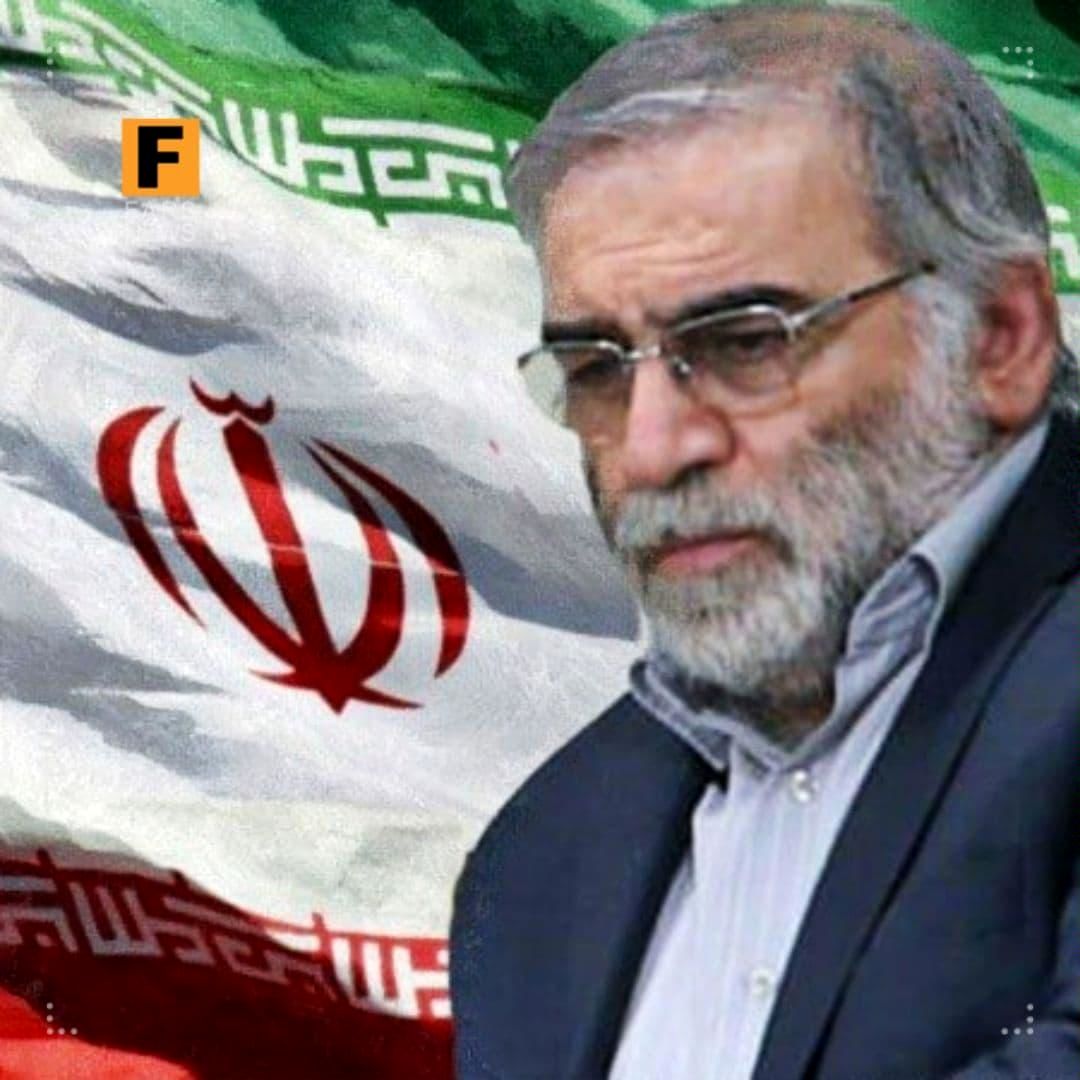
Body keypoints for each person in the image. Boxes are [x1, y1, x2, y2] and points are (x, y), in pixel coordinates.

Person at [449, 5, 1080, 1079]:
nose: (654, 447)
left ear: (999, 338)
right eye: (596, 369)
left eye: (745, 342)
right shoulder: (541, 862)